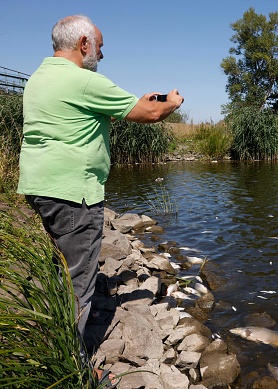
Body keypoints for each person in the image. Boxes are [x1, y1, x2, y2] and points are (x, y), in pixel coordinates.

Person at [17, 14, 184, 357]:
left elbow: (95, 111)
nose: (102, 55)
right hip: (72, 193)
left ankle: (47, 329)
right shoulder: (83, 81)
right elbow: (150, 114)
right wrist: (172, 102)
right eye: (100, 47)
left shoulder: (38, 78)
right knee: (79, 281)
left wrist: (140, 100)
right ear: (83, 45)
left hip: (38, 188)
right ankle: (67, 362)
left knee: (62, 269)